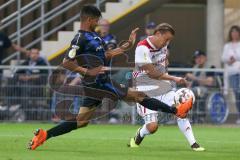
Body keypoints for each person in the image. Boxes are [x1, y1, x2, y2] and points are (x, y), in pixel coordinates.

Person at [28, 5, 193, 150]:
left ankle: (44, 135)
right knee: (138, 96)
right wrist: (87, 72)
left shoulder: (95, 36)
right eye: (96, 20)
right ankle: (176, 110)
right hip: (98, 83)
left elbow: (106, 54)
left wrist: (126, 45)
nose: (98, 23)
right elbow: (66, 62)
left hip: (96, 85)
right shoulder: (80, 38)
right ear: (89, 19)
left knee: (81, 121)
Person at [128, 25, 205, 151]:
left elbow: (164, 62)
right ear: (158, 33)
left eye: (169, 40)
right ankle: (139, 134)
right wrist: (174, 78)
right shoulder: (142, 48)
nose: (167, 43)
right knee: (153, 127)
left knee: (181, 109)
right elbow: (152, 73)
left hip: (162, 87)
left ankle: (194, 144)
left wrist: (166, 71)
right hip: (143, 89)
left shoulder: (162, 46)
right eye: (166, 39)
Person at [186, 50, 216, 123]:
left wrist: (194, 78)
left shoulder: (210, 67)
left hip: (205, 88)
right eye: (196, 58)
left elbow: (209, 82)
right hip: (194, 88)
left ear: (205, 58)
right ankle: (187, 116)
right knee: (184, 92)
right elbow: (190, 82)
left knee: (194, 91)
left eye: (200, 57)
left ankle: (200, 116)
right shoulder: (194, 67)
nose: (198, 59)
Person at [222, 25, 240, 124]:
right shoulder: (227, 45)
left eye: (236, 31)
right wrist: (230, 60)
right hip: (232, 73)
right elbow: (223, 58)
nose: (234, 33)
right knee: (237, 94)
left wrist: (236, 58)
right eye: (232, 32)